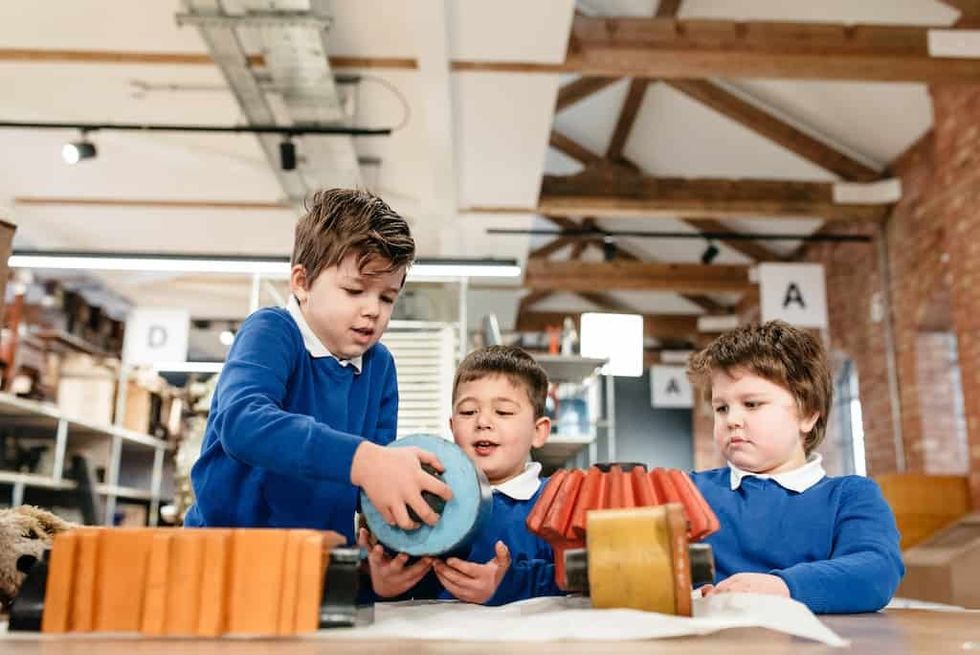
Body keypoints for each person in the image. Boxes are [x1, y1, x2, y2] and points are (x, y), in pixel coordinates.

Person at [184, 188, 452, 542]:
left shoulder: (379, 366)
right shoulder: (273, 331)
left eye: (387, 297)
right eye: (355, 291)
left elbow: (370, 486)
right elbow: (242, 423)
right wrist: (365, 460)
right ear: (302, 283)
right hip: (229, 552)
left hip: (319, 560)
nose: (373, 310)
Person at [687, 320, 904, 614]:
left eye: (752, 404)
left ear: (808, 416)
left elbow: (876, 571)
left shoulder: (850, 496)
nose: (732, 419)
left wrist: (782, 587)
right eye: (721, 408)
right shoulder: (690, 492)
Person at [360, 346, 565, 605]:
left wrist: (509, 584)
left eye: (503, 412)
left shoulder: (557, 503)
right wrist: (381, 584)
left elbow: (584, 583)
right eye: (468, 412)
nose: (482, 422)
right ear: (452, 426)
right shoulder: (424, 498)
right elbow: (400, 587)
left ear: (539, 431)